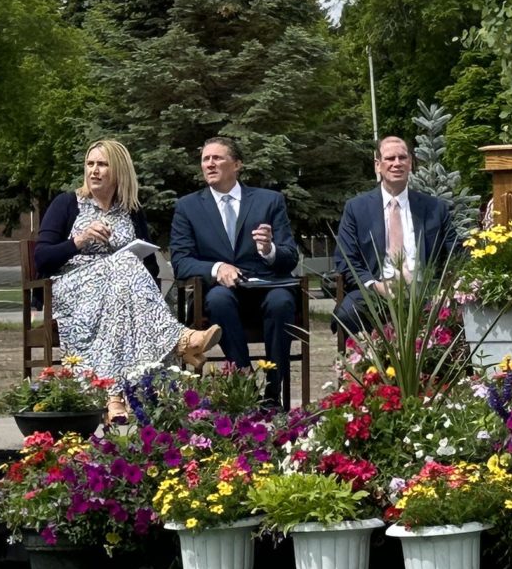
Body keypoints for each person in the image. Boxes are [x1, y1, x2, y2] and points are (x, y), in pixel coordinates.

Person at [33, 140, 220, 395]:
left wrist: (136, 289)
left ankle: (118, 397)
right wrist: (80, 240)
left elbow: (150, 266)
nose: (94, 171)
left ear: (119, 170)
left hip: (118, 294)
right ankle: (179, 340)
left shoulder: (131, 210)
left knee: (125, 285)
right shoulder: (67, 203)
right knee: (125, 262)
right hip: (72, 288)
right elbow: (42, 257)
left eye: (102, 164)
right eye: (90, 164)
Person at [169, 135, 303, 402]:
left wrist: (269, 250)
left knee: (281, 302)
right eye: (205, 159)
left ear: (237, 164)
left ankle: (273, 392)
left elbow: (290, 257)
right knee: (219, 299)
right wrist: (217, 268)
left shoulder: (269, 201)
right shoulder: (188, 207)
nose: (209, 164)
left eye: (217, 158)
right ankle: (245, 384)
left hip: (267, 288)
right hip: (221, 294)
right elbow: (181, 261)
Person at [332, 134, 455, 338]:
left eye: (402, 157)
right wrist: (375, 285)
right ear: (377, 165)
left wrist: (446, 287)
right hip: (377, 290)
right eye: (390, 158)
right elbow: (346, 259)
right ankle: (363, 359)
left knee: (455, 311)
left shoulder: (435, 208)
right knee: (348, 313)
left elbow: (455, 252)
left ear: (410, 163)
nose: (397, 163)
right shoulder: (356, 208)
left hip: (425, 291)